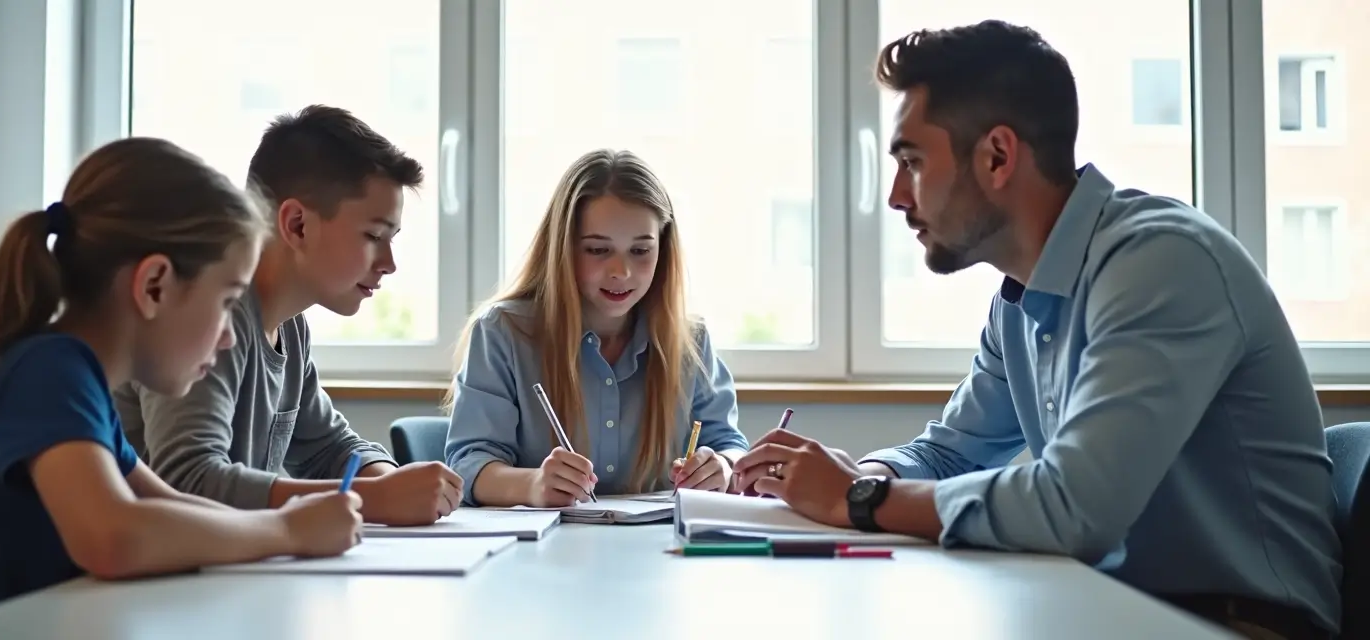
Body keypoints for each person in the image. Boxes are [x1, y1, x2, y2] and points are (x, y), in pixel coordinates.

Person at [733, 20, 1340, 640]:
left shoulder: (1160, 263)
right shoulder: (1021, 299)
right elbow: (948, 454)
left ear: (997, 156)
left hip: (1238, 624)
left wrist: (858, 501)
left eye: (912, 162)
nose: (895, 196)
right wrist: (866, 476)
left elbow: (1075, 508)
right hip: (1107, 609)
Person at [0, 138, 363, 640]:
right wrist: (287, 533)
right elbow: (113, 538)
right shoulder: (46, 371)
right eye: (226, 301)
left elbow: (174, 506)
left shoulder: (76, 384)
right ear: (153, 285)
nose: (228, 335)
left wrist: (289, 524)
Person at [112, 106, 462, 525]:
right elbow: (187, 479)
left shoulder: (290, 326)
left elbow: (328, 447)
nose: (389, 263)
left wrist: (393, 484)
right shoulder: (212, 317)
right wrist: (370, 498)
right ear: (297, 225)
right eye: (373, 235)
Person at [444, 149, 749, 507]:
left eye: (640, 251)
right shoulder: (503, 332)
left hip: (657, 540)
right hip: (545, 540)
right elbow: (469, 464)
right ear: (563, 248)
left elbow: (728, 443)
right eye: (598, 250)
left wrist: (722, 466)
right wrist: (533, 484)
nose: (621, 271)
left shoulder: (690, 340)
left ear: (663, 250)